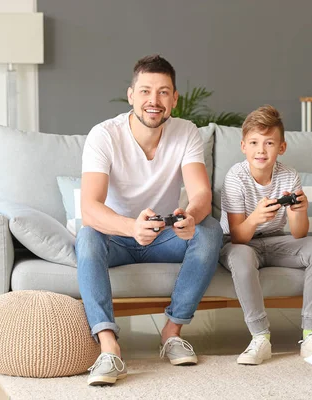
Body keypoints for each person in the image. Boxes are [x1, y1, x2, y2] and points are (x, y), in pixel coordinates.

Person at [76, 54, 223, 386]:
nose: (153, 101)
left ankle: (171, 334)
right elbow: (90, 208)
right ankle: (109, 346)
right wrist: (131, 227)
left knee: (210, 228)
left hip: (164, 237)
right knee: (87, 235)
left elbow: (201, 195)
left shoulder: (186, 133)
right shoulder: (104, 135)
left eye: (163, 92)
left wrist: (190, 215)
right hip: (116, 237)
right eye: (145, 91)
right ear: (131, 96)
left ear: (174, 98)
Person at [219, 105, 312, 365]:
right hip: (239, 243)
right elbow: (237, 236)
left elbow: (298, 233)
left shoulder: (289, 175)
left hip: (276, 241)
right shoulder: (235, 177)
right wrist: (256, 217)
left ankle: (311, 334)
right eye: (255, 143)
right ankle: (260, 337)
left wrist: (301, 210)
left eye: (269, 143)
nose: (261, 150)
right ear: (243, 146)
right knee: (241, 257)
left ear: (281, 147)